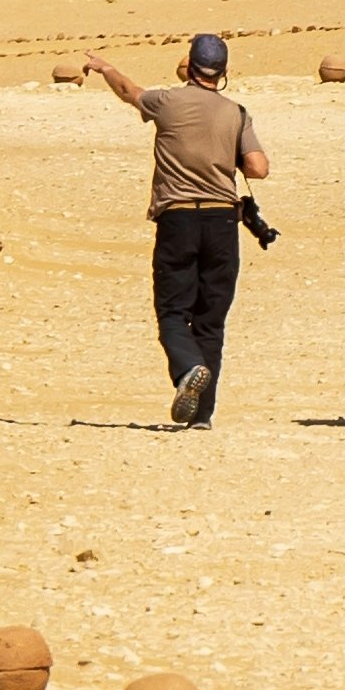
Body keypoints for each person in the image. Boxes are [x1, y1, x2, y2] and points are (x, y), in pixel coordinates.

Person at [96, 33, 274, 426]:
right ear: (223, 73)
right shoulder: (237, 113)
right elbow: (259, 168)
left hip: (177, 218)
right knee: (211, 318)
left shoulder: (168, 102)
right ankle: (202, 415)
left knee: (173, 311)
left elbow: (129, 91)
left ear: (190, 66)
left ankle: (188, 368)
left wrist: (106, 68)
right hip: (222, 221)